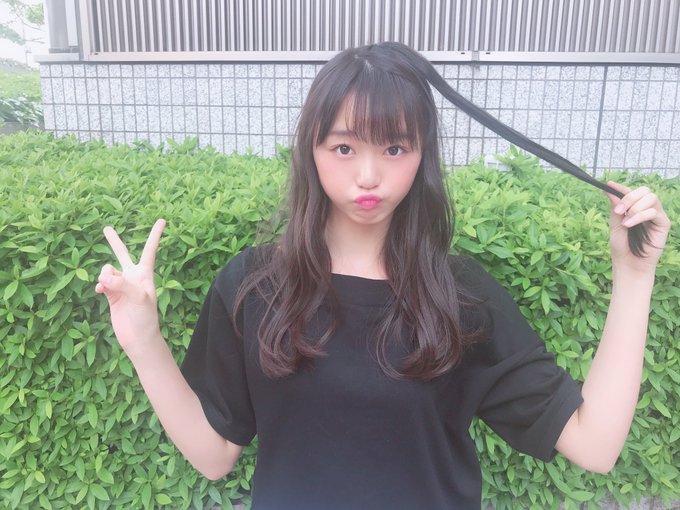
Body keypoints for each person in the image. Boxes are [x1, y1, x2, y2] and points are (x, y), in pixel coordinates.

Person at [96, 42, 670, 509]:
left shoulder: (460, 296)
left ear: (422, 155)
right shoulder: (253, 285)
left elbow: (594, 445)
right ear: (312, 151)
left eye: (395, 148)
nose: (369, 175)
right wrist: (145, 342)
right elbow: (214, 455)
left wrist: (634, 274)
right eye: (344, 147)